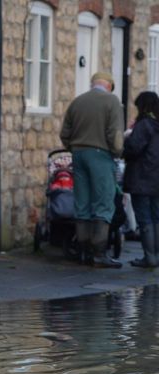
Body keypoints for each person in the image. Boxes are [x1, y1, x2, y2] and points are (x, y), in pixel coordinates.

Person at [60, 71, 124, 268]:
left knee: (83, 202)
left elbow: (65, 133)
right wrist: (117, 152)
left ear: (93, 83)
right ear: (109, 85)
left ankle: (83, 252)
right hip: (101, 154)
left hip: (78, 154)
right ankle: (98, 254)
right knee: (103, 202)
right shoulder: (112, 101)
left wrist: (73, 148)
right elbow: (115, 134)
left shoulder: (77, 102)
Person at [122, 91, 159, 268]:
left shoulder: (144, 125)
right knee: (156, 217)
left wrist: (127, 138)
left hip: (142, 178)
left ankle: (150, 257)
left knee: (144, 218)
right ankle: (156, 256)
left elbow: (132, 149)